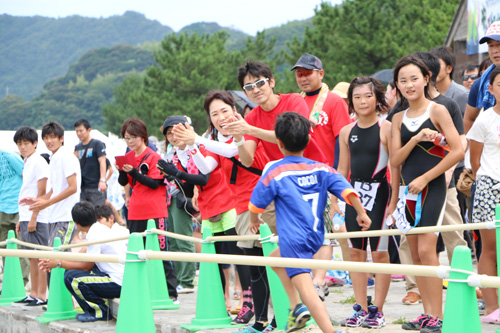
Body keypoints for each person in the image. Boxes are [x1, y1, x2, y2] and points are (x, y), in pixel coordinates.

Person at [248, 112, 370, 333]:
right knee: (274, 260)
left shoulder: (276, 172)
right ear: (307, 141)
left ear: (279, 143)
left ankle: (328, 330)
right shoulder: (321, 169)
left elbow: (255, 205)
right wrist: (361, 213)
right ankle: (295, 308)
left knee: (307, 291)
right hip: (316, 236)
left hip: (293, 239)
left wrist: (254, 220)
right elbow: (347, 191)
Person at [172, 92, 274, 331]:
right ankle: (260, 320)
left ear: (234, 109)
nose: (220, 117)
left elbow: (233, 153)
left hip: (264, 204)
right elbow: (207, 166)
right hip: (241, 209)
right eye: (214, 114)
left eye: (224, 110)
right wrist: (189, 146)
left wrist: (197, 139)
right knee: (255, 267)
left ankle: (281, 314)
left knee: (271, 263)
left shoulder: (246, 129)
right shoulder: (217, 141)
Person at [391, 55, 464, 332]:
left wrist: (426, 178)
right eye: (403, 80)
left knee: (426, 249)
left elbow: (458, 151)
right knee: (416, 254)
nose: (409, 85)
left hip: (432, 187)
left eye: (414, 78)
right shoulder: (397, 117)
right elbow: (395, 161)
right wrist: (414, 139)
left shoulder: (438, 110)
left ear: (426, 79)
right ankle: (427, 314)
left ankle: (439, 316)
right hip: (409, 192)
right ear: (397, 85)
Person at [337, 76, 397, 328]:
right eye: (357, 96)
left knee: (380, 253)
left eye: (368, 95)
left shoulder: (387, 127)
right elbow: (341, 171)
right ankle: (360, 307)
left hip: (381, 195)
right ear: (351, 101)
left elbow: (396, 165)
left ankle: (378, 311)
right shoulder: (346, 131)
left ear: (377, 98)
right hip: (354, 196)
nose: (362, 101)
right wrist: (335, 202)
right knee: (355, 253)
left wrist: (394, 204)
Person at [292, 53, 353, 302]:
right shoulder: (294, 102)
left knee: (326, 228)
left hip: (325, 174)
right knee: (305, 229)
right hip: (298, 176)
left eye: (308, 72)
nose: (303, 78)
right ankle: (308, 278)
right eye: (299, 73)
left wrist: (337, 179)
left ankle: (319, 280)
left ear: (321, 73)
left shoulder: (334, 102)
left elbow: (342, 140)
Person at [116, 118, 178, 301]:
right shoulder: (129, 157)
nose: (130, 142)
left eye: (133, 137)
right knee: (137, 253)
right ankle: (143, 290)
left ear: (142, 137)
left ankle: (170, 292)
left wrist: (134, 172)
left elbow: (155, 183)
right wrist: (122, 170)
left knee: (161, 252)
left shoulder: (154, 157)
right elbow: (124, 182)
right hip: (135, 210)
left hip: (155, 212)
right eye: (126, 138)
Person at [39, 201, 124, 322]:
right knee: (72, 272)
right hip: (116, 278)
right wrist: (54, 260)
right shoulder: (98, 229)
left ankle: (100, 312)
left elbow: (86, 266)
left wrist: (58, 263)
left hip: (116, 282)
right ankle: (93, 308)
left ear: (76, 224)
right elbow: (81, 256)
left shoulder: (95, 233)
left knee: (72, 278)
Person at [467, 66, 500, 324]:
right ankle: (492, 308)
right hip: (490, 186)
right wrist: (487, 181)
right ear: (491, 89)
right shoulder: (485, 118)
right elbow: (475, 161)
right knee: (489, 250)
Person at [159, 115, 201, 296]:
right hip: (170, 198)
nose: (173, 137)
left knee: (185, 239)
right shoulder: (171, 152)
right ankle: (177, 279)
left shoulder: (194, 149)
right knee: (173, 240)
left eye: (175, 132)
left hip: (184, 199)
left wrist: (175, 175)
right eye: (169, 134)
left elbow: (197, 175)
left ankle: (187, 280)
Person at [23, 121, 81, 249]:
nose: (49, 141)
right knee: (59, 259)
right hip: (55, 216)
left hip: (66, 216)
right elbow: (54, 190)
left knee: (56, 257)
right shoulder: (54, 158)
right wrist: (36, 201)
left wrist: (47, 203)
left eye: (53, 137)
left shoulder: (66, 156)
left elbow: (73, 188)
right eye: (46, 138)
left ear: (61, 138)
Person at [13, 127, 50, 306]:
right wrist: (22, 218)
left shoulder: (39, 161)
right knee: (31, 256)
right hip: (27, 215)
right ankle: (34, 292)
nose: (22, 147)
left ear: (35, 143)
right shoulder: (27, 162)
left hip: (38, 216)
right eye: (19, 144)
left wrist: (34, 216)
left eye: (26, 143)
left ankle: (42, 294)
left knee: (40, 256)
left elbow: (42, 192)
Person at [0, 148, 30, 291]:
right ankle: (9, 281)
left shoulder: (10, 157)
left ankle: (22, 283)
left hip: (18, 207)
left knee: (21, 246)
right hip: (2, 208)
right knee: (4, 248)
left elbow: (27, 178)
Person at [464, 21, 500, 133]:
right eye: (491, 45)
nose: (495, 50)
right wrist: (474, 147)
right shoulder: (480, 84)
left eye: (499, 44)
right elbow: (469, 119)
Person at [74, 119, 107, 207]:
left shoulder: (97, 144)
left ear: (89, 130)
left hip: (95, 186)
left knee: (98, 212)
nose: (79, 133)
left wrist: (102, 180)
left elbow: (102, 162)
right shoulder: (78, 147)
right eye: (77, 131)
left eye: (81, 130)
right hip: (83, 187)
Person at [429, 46, 469, 116]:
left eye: (436, 65)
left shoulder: (463, 95)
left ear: (449, 68)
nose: (433, 70)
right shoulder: (428, 95)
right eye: (430, 66)